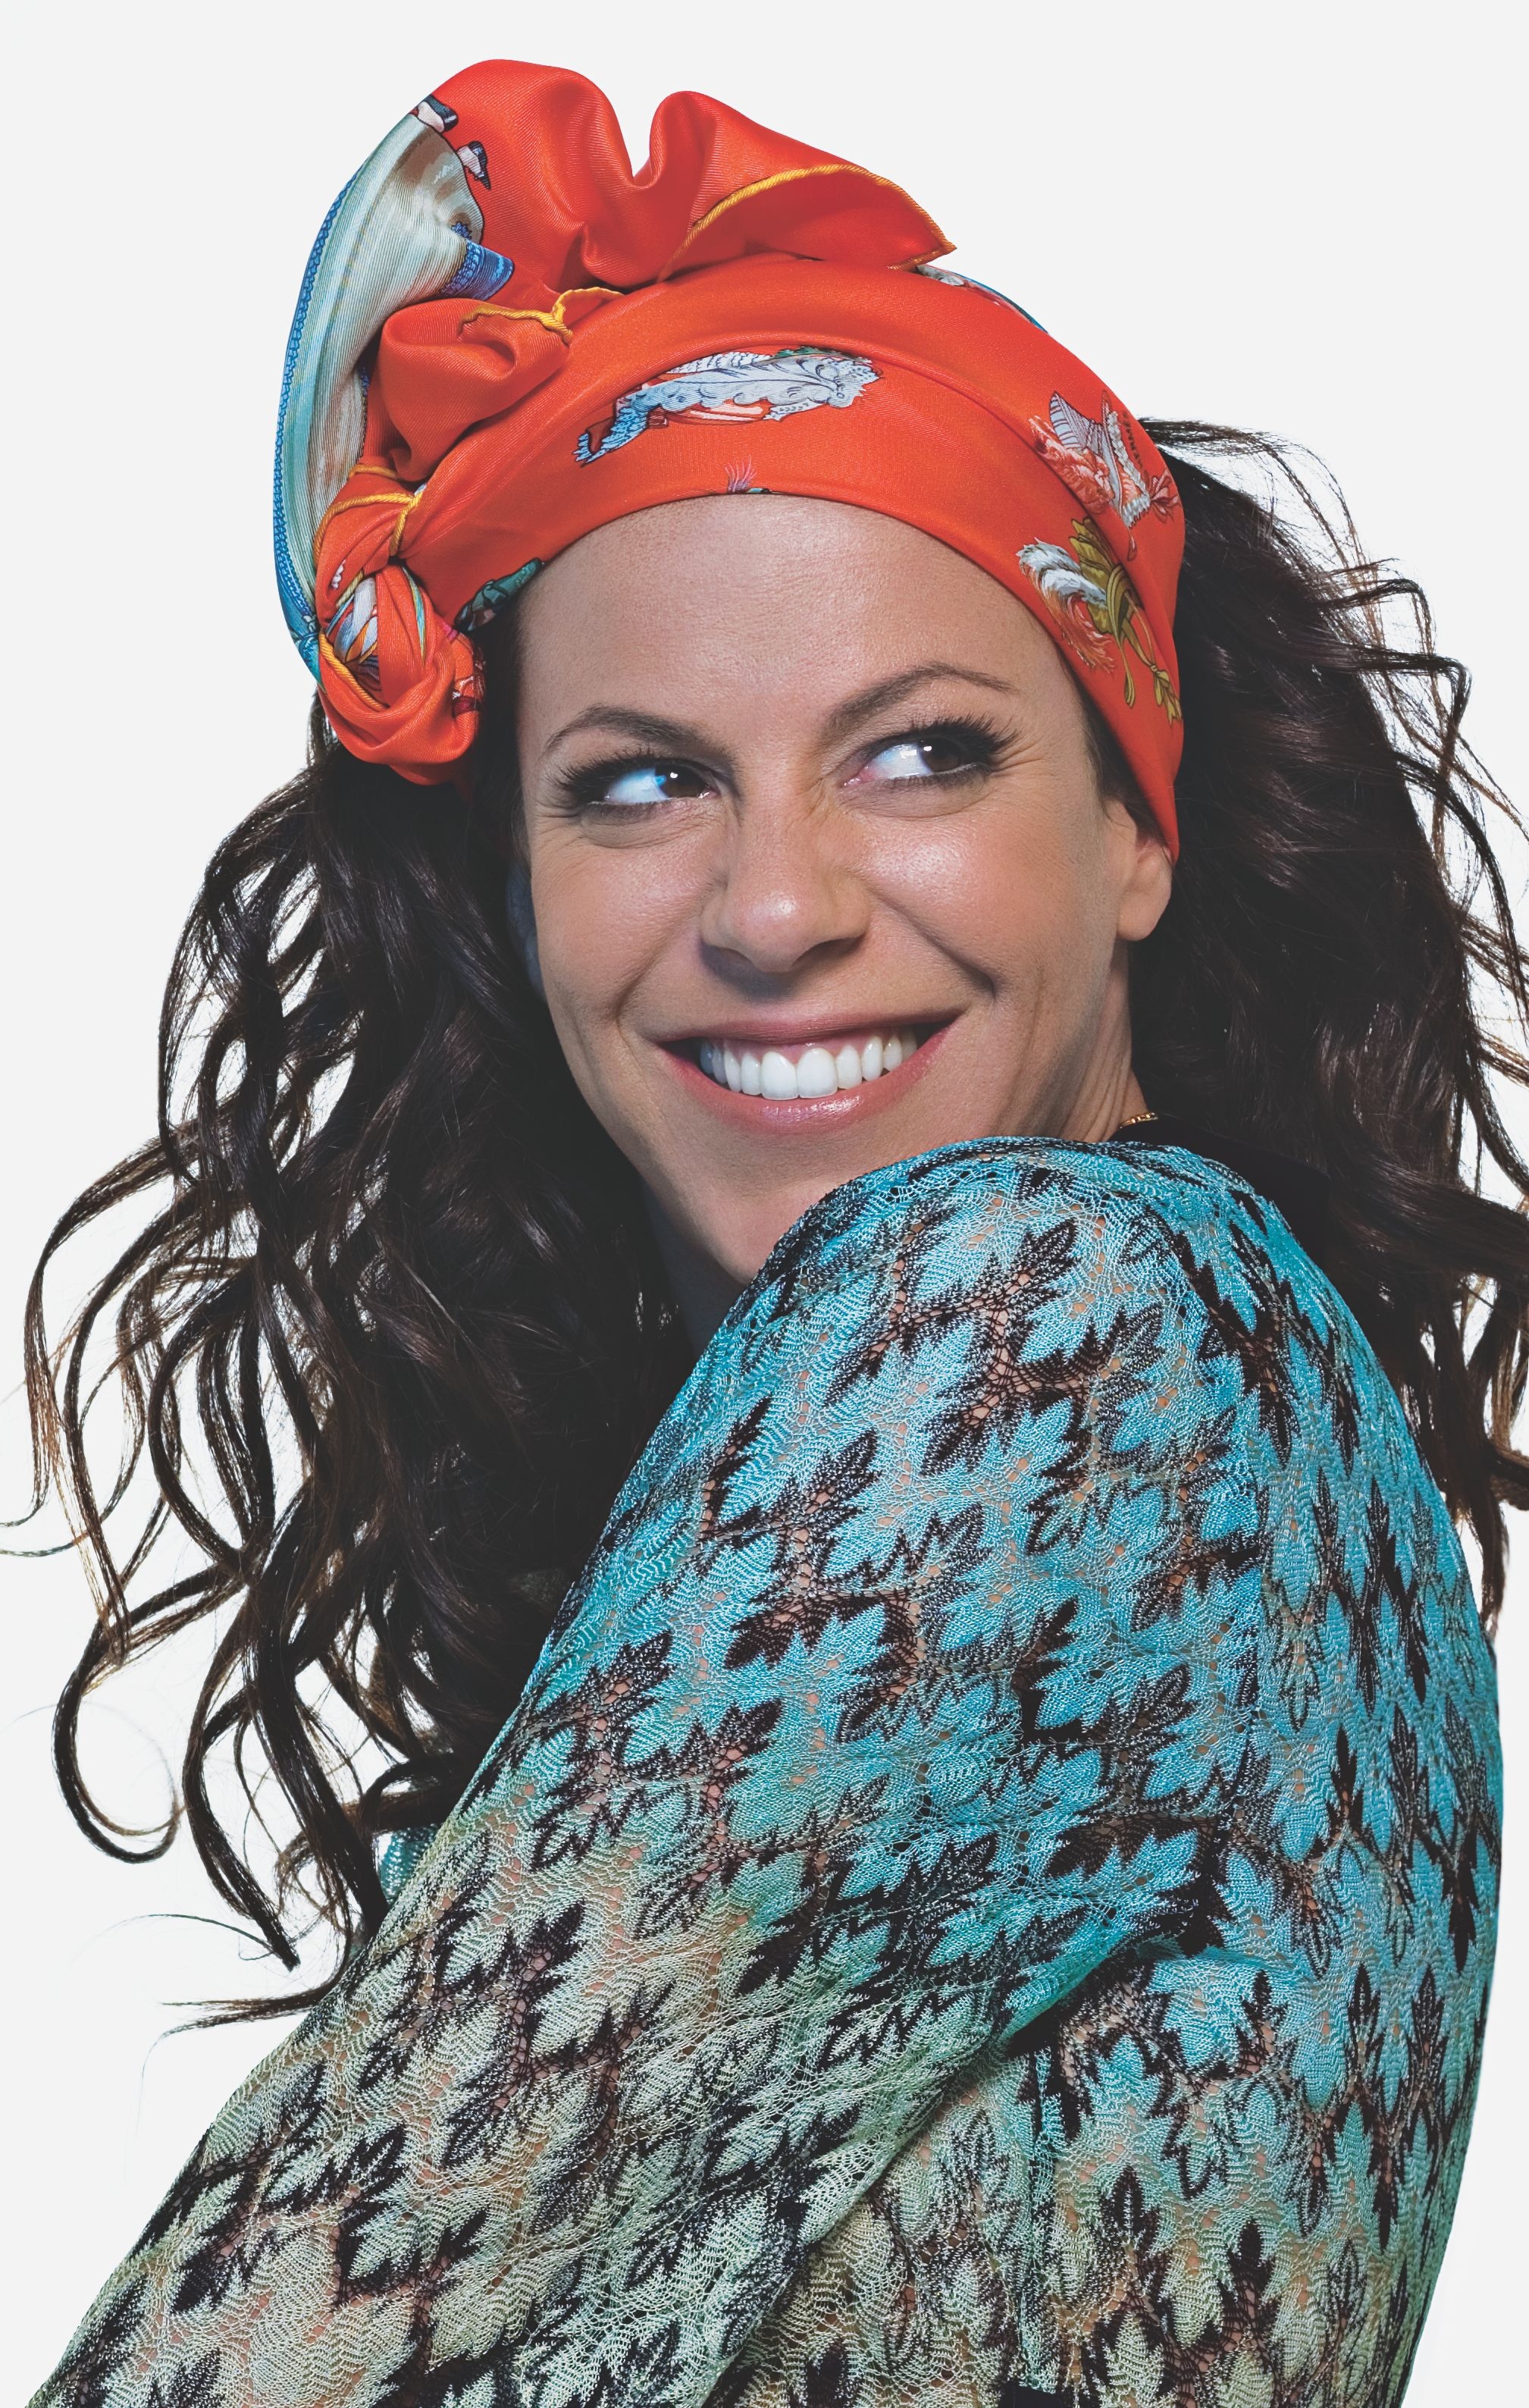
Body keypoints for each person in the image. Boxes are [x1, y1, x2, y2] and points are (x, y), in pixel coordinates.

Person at [22, 56, 1524, 2408]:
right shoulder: (1259, 1421)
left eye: (919, 752)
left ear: (1134, 825)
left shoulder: (1046, 1315)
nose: (775, 907)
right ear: (519, 894)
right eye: (641, 783)